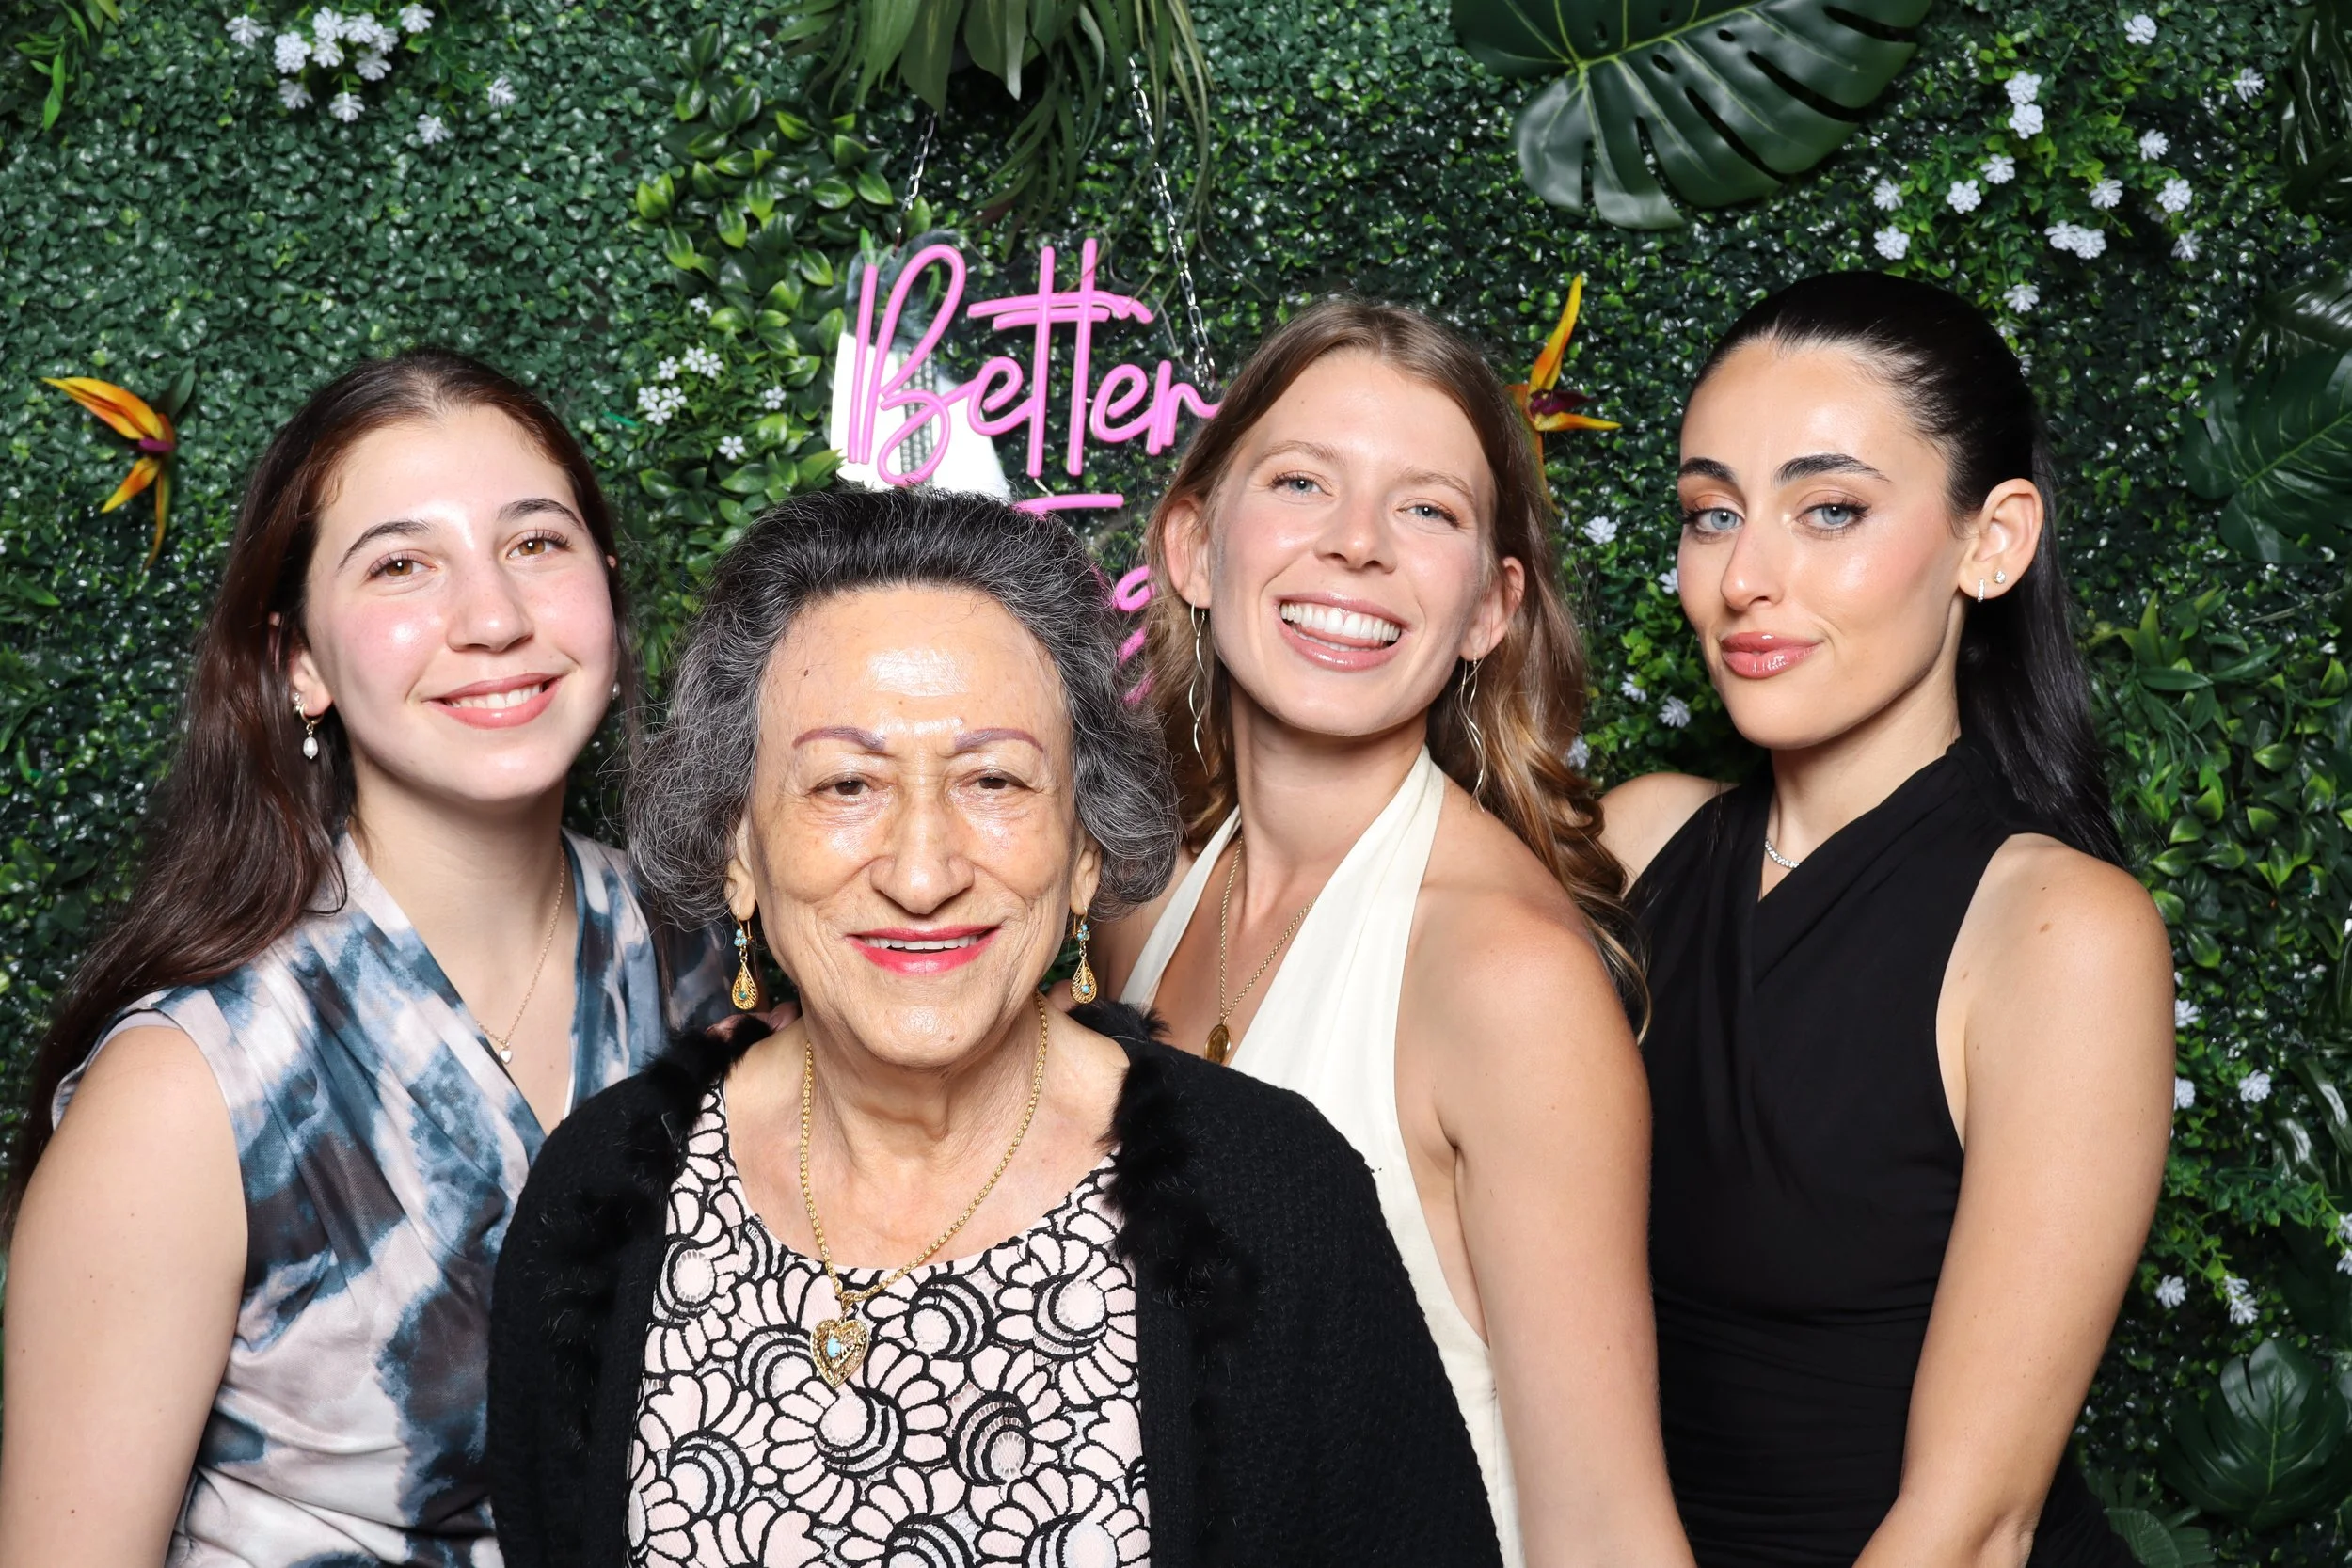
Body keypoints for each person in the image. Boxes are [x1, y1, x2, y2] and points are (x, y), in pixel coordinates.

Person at [485, 486, 1504, 1568]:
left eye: (993, 779)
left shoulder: (1272, 1192)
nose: (923, 873)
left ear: (1083, 849)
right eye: (844, 782)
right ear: (739, 848)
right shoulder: (600, 1195)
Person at [0, 351, 734, 1568]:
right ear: (297, 660)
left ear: (607, 587)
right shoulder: (189, 1090)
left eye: (537, 543)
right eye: (402, 562)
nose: (493, 616)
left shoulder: (725, 974)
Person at [1091, 299, 1692, 1567]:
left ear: (1488, 607)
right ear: (1193, 546)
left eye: (1427, 510)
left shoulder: (1505, 976)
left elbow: (1604, 1523)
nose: (1357, 544)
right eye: (1303, 480)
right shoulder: (1142, 907)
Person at [1600, 272, 2172, 1567]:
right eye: (1709, 514)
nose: (1745, 576)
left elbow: (1969, 1526)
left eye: (1832, 509)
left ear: (1993, 540)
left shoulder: (2060, 931)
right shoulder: (1638, 839)